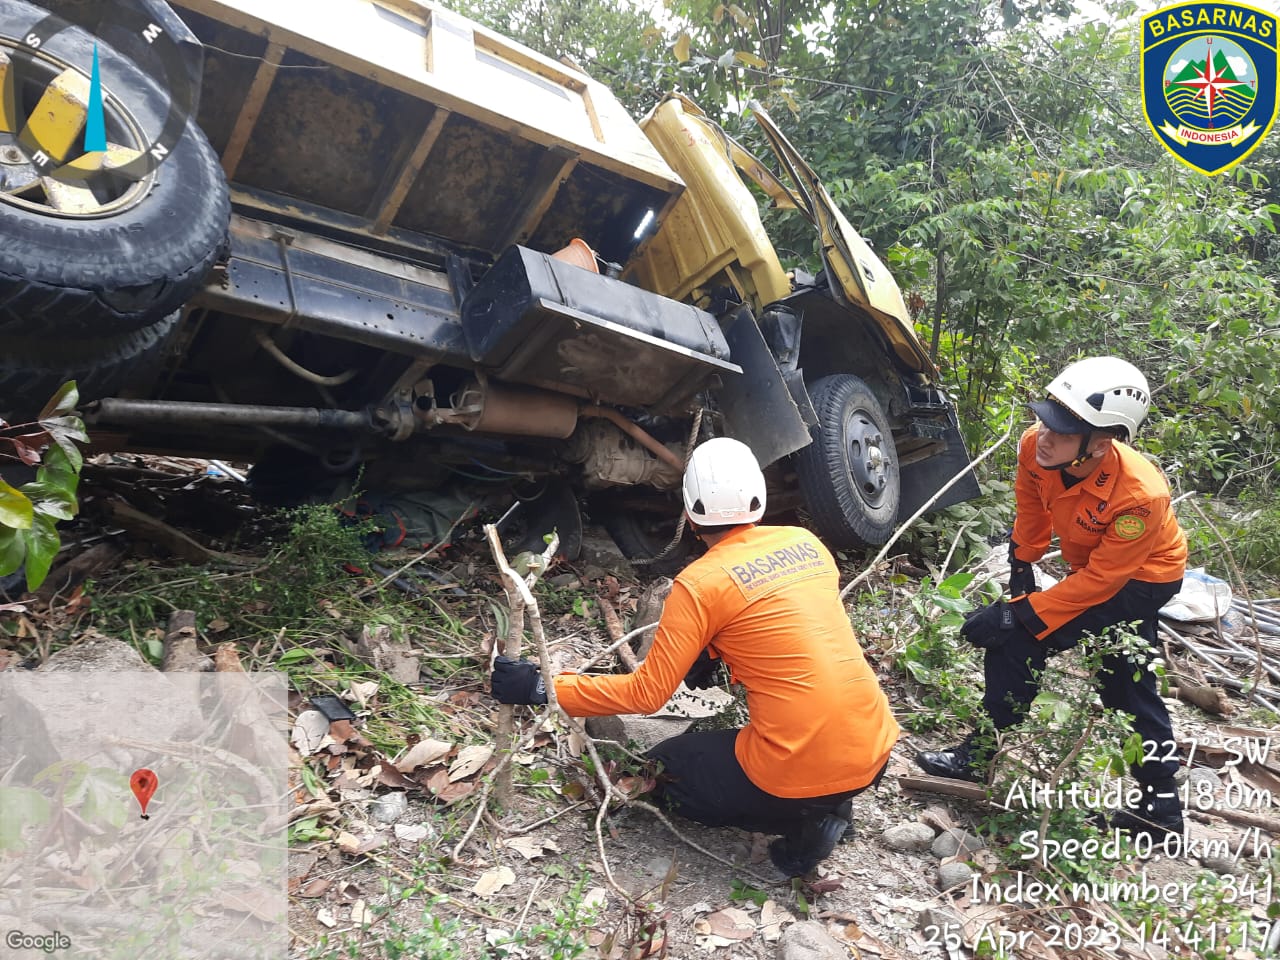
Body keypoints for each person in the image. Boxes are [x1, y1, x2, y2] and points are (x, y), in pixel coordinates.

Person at [491, 437, 899, 876]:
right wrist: (712, 652)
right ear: (758, 497)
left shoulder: (699, 584)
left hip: (795, 770)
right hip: (876, 748)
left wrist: (541, 686)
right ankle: (835, 802)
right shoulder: (808, 544)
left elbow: (647, 695)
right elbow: (784, 629)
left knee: (667, 771)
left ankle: (805, 823)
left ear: (688, 513)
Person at [915, 356, 1188, 839]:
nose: (1045, 436)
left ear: (1100, 443)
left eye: (1061, 432)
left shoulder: (1140, 496)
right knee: (1123, 680)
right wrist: (1023, 564)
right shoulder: (1036, 447)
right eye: (1045, 421)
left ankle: (980, 758)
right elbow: (1031, 506)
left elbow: (1104, 582)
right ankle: (1161, 809)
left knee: (1100, 672)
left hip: (1142, 580)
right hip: (1096, 572)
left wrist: (1019, 615)